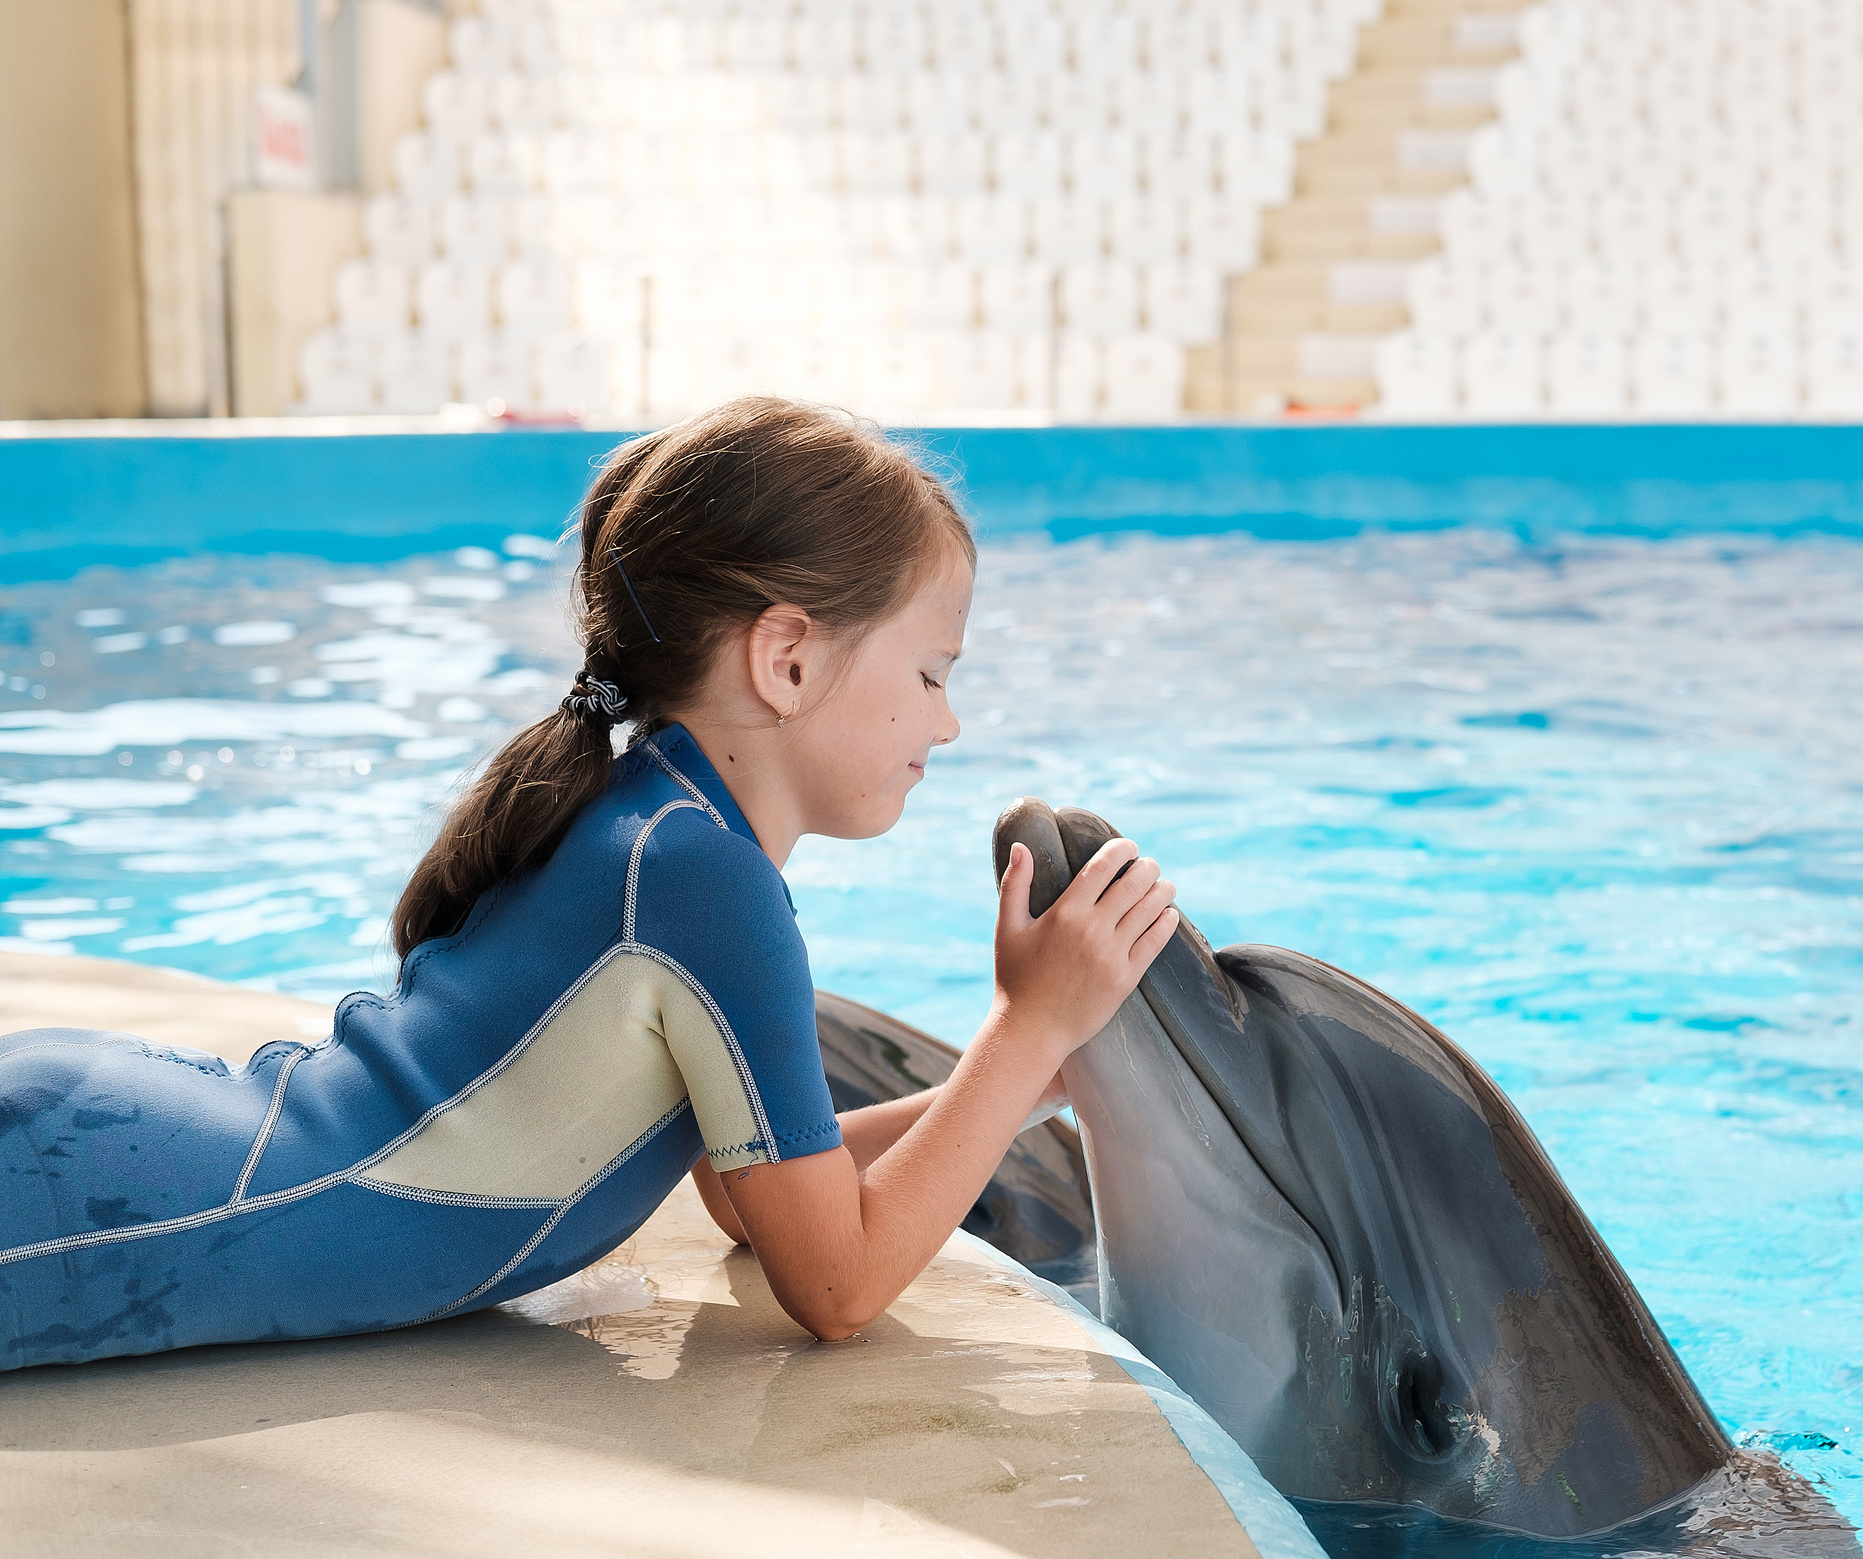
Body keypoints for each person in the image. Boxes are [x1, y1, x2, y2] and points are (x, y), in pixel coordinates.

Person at [0, 397, 1179, 1370]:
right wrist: (1027, 1029)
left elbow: (749, 1200)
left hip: (124, 1146)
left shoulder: (666, 834)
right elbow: (838, 1284)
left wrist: (1038, 1078)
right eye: (928, 672)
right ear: (789, 657)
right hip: (101, 1187)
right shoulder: (699, 878)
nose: (949, 719)